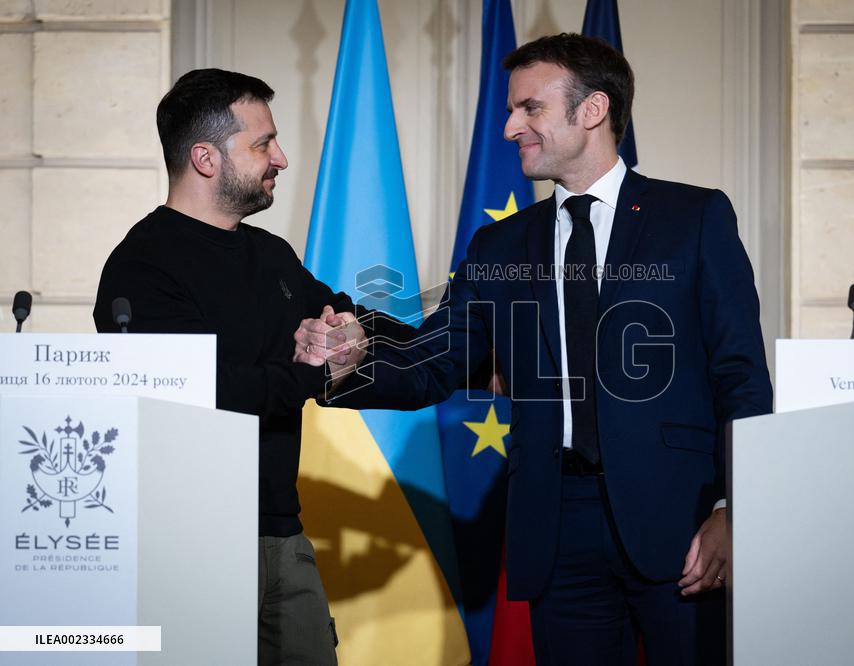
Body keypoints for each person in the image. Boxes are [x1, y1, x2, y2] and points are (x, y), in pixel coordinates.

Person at [299, 33, 773, 664]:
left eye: (530, 108)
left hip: (683, 521)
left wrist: (734, 510)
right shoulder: (499, 246)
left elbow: (740, 376)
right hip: (557, 528)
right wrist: (351, 362)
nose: (509, 127)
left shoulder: (695, 218)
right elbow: (434, 364)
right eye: (510, 109)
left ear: (593, 109)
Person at [92, 68, 397, 665]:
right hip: (189, 545)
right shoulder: (141, 266)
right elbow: (204, 392)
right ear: (206, 158)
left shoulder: (271, 254)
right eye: (263, 144)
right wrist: (311, 375)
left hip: (282, 533)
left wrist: (474, 356)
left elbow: (345, 318)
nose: (280, 158)